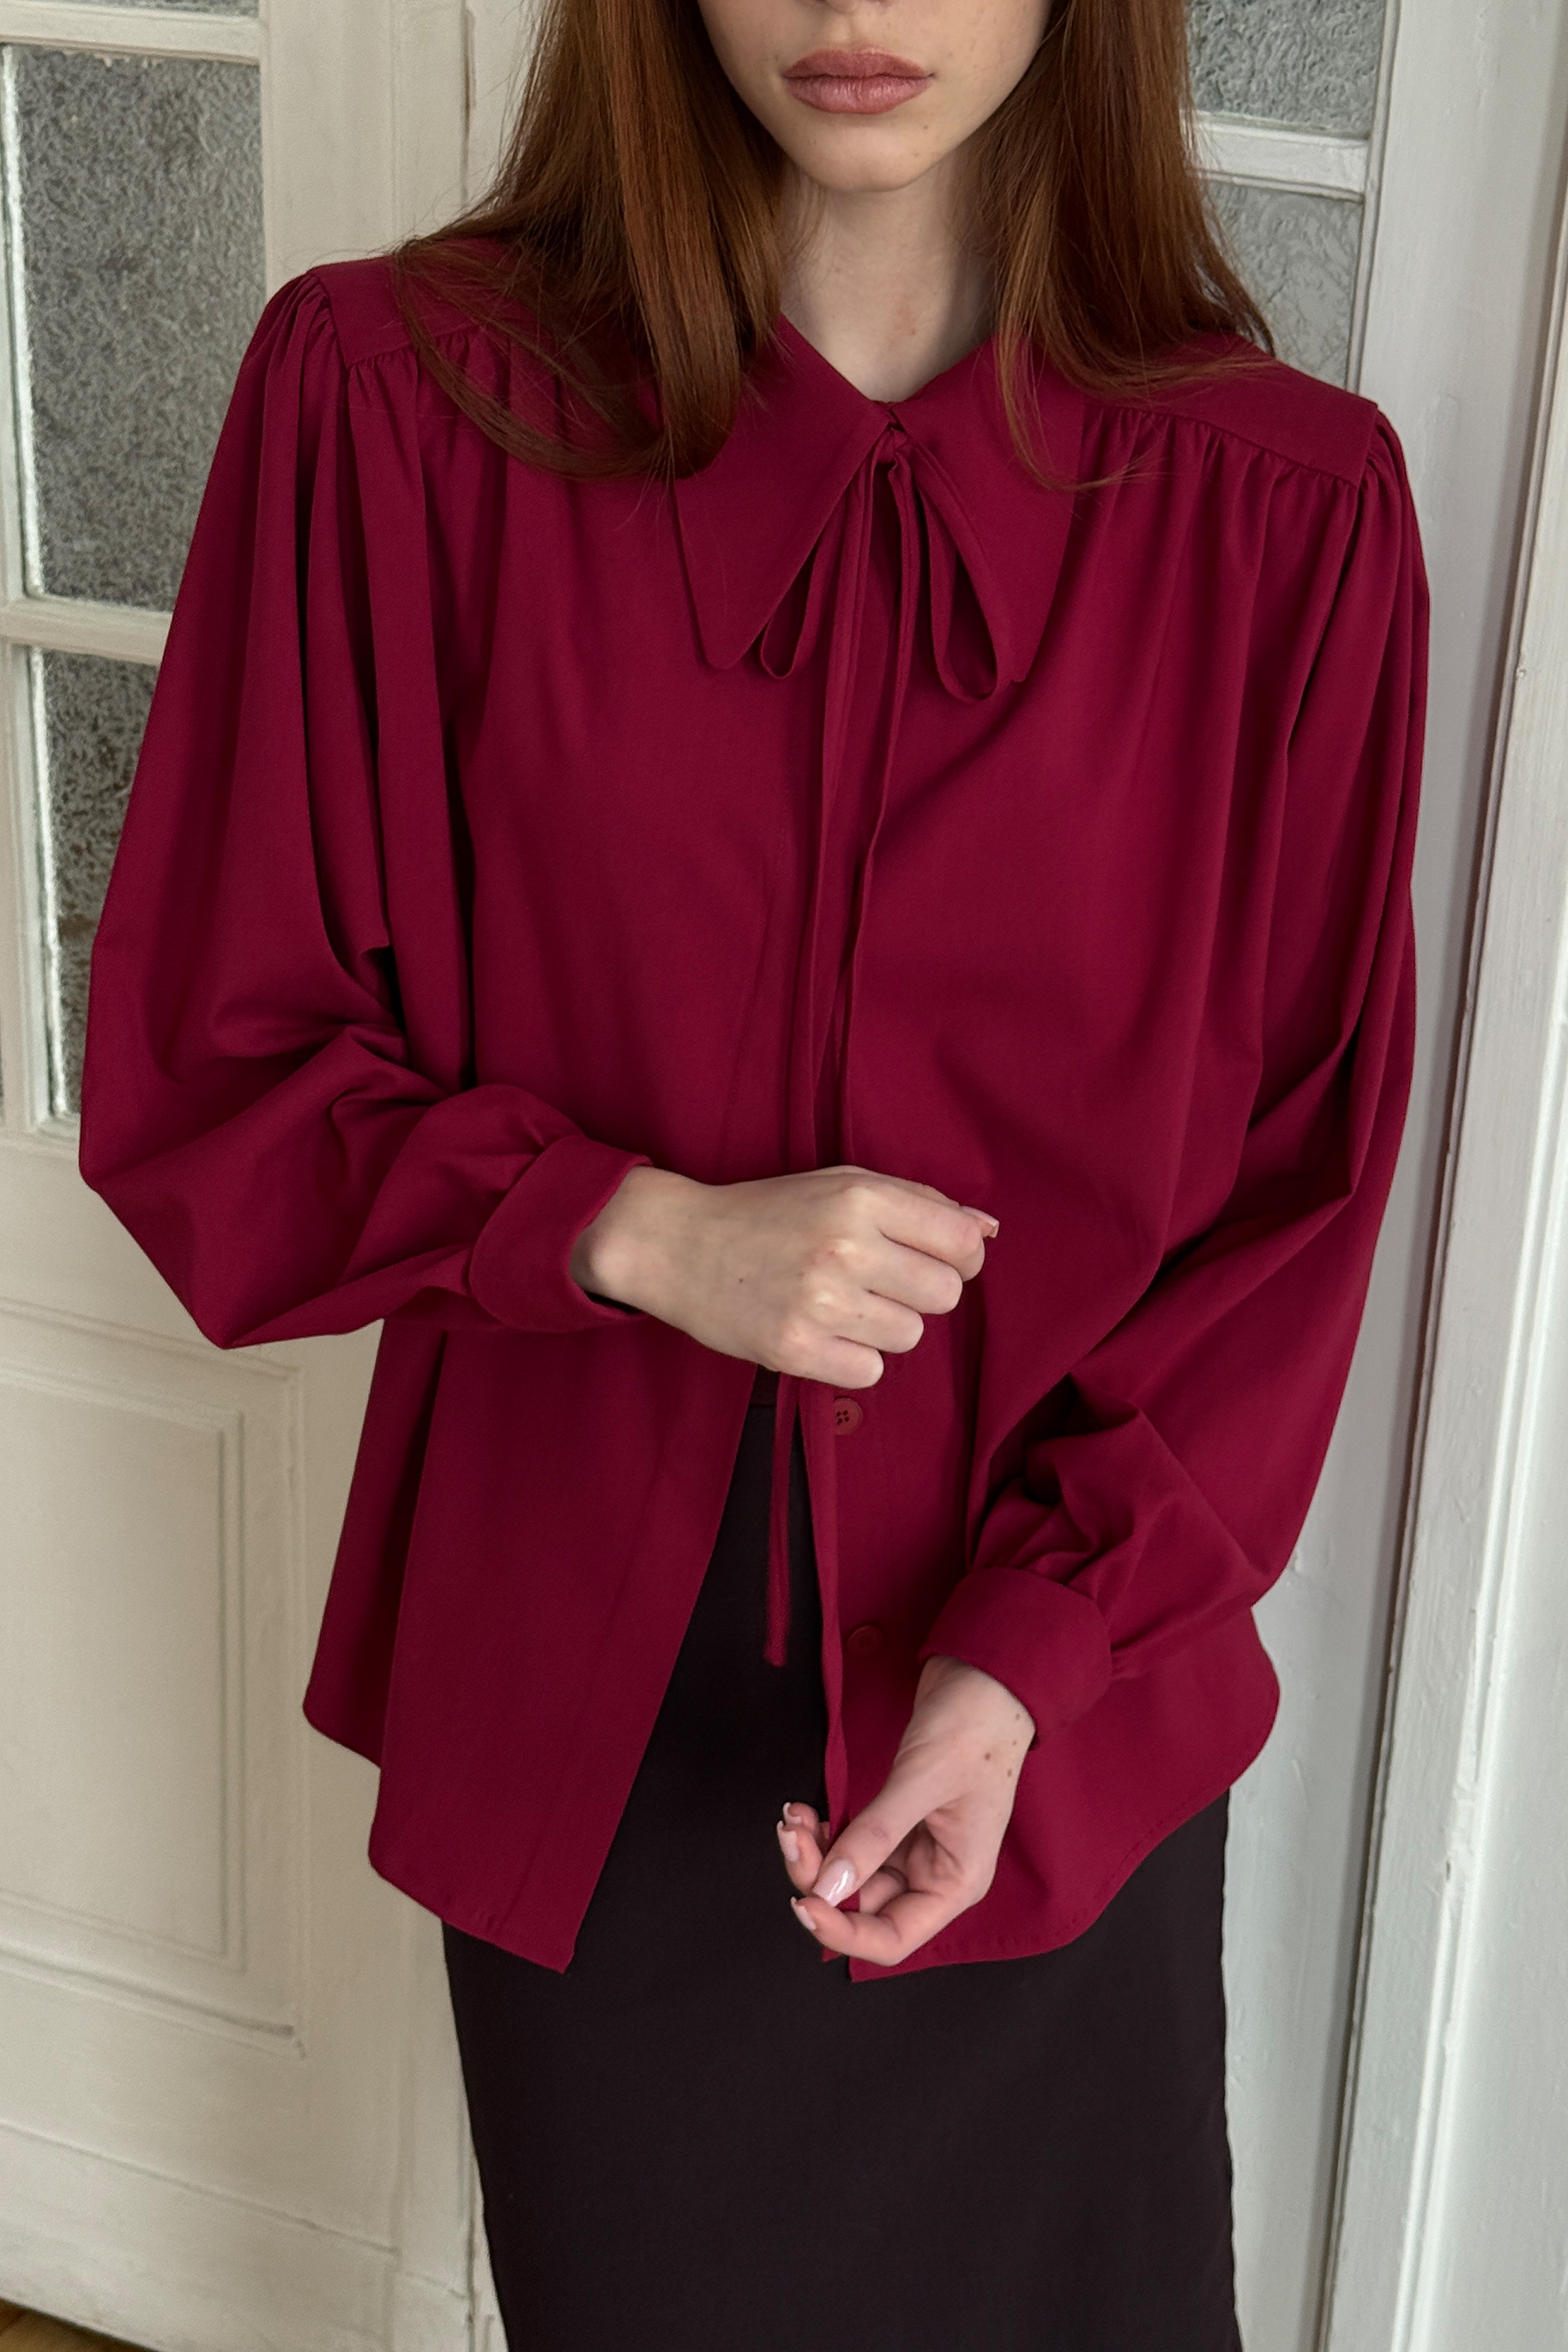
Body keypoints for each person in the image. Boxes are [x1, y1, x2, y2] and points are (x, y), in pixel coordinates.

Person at [77, 0, 1428, 2344]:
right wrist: (633, 1231)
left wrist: (1025, 1662)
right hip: (595, 1689)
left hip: (1042, 1682)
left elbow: (1292, 1212)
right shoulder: (395, 410)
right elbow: (216, 1069)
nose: (850, 11)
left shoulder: (1285, 517)